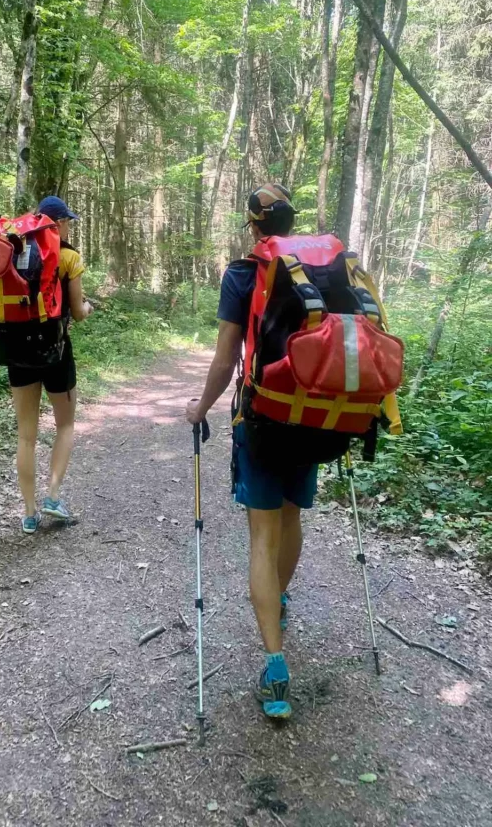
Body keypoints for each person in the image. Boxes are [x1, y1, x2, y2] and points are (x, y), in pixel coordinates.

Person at [185, 184, 316, 721]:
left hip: (263, 417)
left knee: (262, 536)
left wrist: (200, 408)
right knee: (290, 516)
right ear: (290, 223)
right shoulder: (317, 268)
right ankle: (277, 601)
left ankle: (276, 666)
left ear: (254, 226)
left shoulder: (244, 273)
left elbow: (223, 362)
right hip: (314, 417)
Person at [9, 196, 93, 534]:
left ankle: (29, 513)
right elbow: (77, 310)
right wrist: (88, 308)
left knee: (26, 436)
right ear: (57, 223)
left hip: (17, 351)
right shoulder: (68, 257)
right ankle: (53, 496)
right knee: (65, 426)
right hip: (56, 350)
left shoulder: (14, 251)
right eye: (67, 221)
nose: (68, 226)